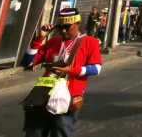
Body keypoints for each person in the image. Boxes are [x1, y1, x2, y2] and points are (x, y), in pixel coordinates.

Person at [21, 8, 102, 136]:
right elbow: (27, 62)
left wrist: (71, 70)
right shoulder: (53, 42)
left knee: (60, 132)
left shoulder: (90, 42)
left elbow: (96, 68)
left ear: (77, 24)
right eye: (60, 27)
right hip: (42, 96)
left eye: (67, 27)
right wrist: (38, 39)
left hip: (66, 99)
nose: (63, 31)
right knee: (34, 132)